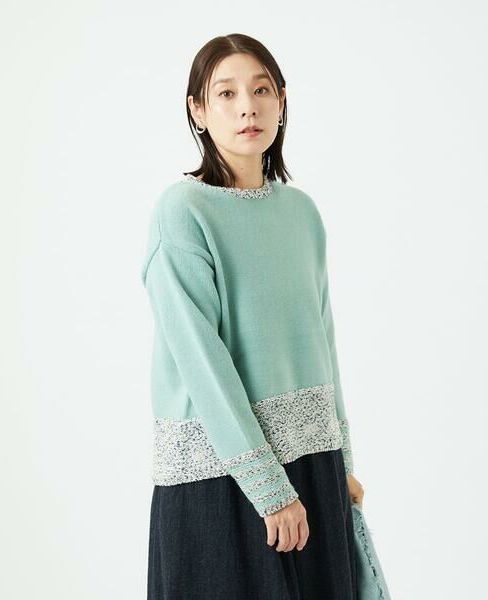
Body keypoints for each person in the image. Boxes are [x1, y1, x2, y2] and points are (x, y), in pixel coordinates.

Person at [141, 32, 365, 600]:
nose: (248, 107)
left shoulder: (302, 213)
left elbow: (323, 341)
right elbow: (201, 362)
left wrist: (342, 462)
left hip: (314, 467)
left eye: (262, 90)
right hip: (220, 476)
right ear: (198, 110)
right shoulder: (182, 211)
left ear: (282, 101)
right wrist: (269, 488)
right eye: (226, 93)